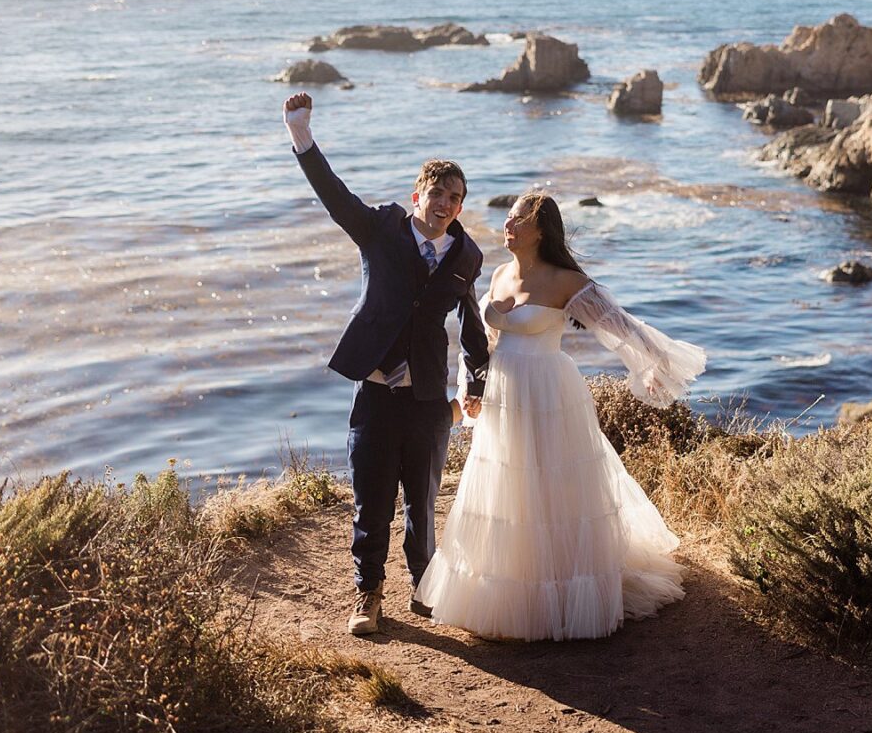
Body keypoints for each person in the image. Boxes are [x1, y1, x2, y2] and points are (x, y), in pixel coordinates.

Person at [414, 192, 707, 640]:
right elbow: (483, 344)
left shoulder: (566, 281)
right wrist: (470, 390)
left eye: (517, 220)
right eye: (508, 218)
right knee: (509, 487)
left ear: (541, 230)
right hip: (505, 392)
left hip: (548, 389)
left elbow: (619, 325)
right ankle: (513, 591)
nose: (507, 226)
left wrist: (651, 365)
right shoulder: (496, 274)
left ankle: (563, 593)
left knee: (551, 484)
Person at [282, 92, 490, 636]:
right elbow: (334, 197)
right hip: (375, 394)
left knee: (423, 504)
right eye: (438, 193)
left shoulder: (467, 257)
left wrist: (477, 380)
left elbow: (470, 322)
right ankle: (368, 595)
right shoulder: (379, 229)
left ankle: (426, 590)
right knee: (371, 503)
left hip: (427, 400)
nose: (446, 203)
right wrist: (300, 133)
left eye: (456, 197)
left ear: (461, 207)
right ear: (417, 195)